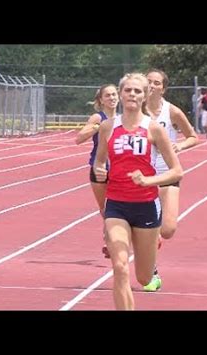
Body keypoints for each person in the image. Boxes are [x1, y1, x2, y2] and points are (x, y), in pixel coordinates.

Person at [94, 72, 183, 310]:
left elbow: (177, 172)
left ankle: (151, 254)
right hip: (116, 205)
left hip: (145, 206)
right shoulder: (107, 127)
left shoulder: (154, 129)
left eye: (137, 91)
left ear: (145, 96)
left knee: (143, 278)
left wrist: (149, 180)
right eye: (128, 90)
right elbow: (99, 161)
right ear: (121, 94)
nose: (132, 94)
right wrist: (100, 170)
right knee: (120, 266)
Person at [142, 68, 198, 292]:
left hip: (167, 174)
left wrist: (180, 145)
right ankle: (152, 272)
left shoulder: (172, 111)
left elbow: (193, 136)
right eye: (149, 82)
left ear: (163, 88)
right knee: (151, 230)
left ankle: (154, 235)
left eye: (156, 83)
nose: (152, 86)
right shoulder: (136, 111)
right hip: (144, 178)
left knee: (168, 229)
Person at [75, 84, 119, 258]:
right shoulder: (97, 117)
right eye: (108, 95)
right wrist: (98, 127)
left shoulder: (125, 118)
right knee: (105, 209)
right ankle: (109, 237)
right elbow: (79, 139)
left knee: (116, 206)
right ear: (101, 100)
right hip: (99, 167)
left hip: (118, 168)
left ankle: (110, 241)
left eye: (114, 94)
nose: (112, 98)